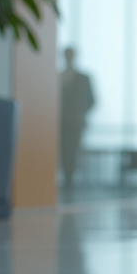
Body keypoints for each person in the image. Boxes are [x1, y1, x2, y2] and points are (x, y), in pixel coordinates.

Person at [60, 47, 95, 190]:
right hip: (61, 123)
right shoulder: (59, 76)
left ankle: (71, 181)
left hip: (76, 123)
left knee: (73, 151)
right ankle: (66, 179)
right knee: (62, 152)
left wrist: (80, 112)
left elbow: (92, 100)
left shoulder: (83, 78)